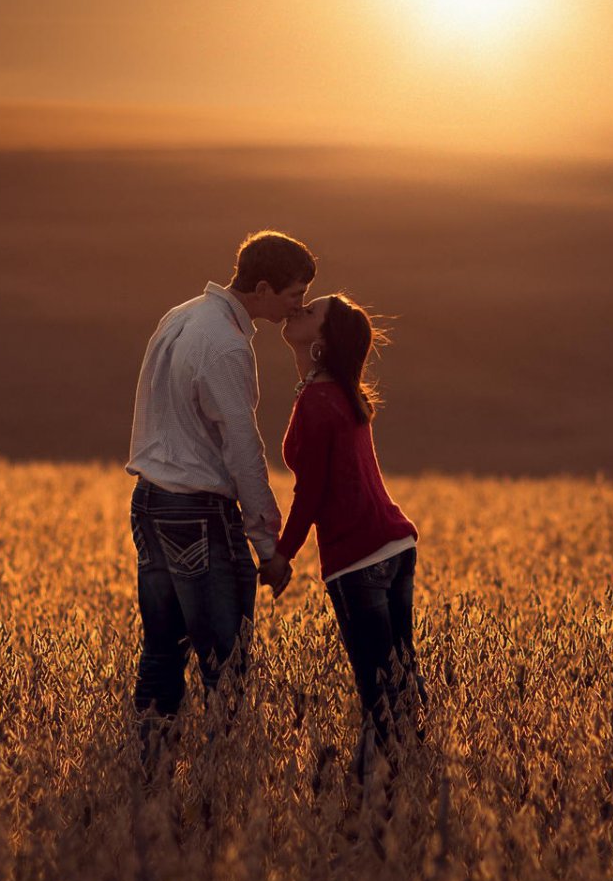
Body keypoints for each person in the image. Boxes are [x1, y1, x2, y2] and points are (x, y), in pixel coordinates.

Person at [126, 231, 311, 750]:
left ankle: (147, 773)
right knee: (226, 667)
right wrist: (268, 546)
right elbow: (242, 450)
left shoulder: (181, 315)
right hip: (198, 511)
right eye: (294, 293)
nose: (297, 305)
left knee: (162, 653)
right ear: (264, 287)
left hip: (149, 502)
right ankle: (225, 783)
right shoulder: (227, 344)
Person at [275, 293, 423, 773]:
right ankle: (411, 782)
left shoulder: (319, 400)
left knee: (378, 696)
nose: (298, 311)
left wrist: (282, 555)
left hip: (359, 558)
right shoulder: (341, 393)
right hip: (396, 544)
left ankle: (372, 801)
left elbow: (311, 493)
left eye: (310, 311)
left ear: (322, 340)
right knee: (401, 682)